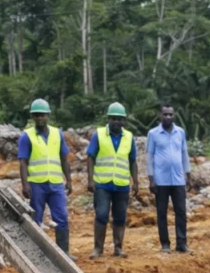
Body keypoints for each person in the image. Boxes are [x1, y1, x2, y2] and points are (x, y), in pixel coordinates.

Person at [18, 99, 73, 257]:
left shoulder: (57, 133)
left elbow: (64, 159)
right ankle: (36, 254)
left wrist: (69, 180)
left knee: (61, 217)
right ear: (32, 117)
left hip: (56, 184)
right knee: (36, 219)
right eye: (36, 115)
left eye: (42, 114)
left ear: (48, 115)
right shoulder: (26, 136)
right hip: (37, 185)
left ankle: (64, 252)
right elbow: (23, 162)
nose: (40, 118)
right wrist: (25, 184)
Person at [86, 102, 139, 259]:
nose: (116, 121)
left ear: (124, 121)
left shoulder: (129, 137)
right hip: (103, 183)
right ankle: (98, 249)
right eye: (113, 118)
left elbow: (133, 161)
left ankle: (118, 247)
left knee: (120, 216)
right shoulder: (99, 135)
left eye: (119, 119)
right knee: (101, 214)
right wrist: (90, 180)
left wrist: (135, 182)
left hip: (122, 184)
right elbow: (90, 157)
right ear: (108, 119)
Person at [146, 104, 192, 254]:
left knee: (181, 212)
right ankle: (165, 244)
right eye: (165, 114)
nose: (168, 117)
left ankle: (181, 243)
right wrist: (151, 179)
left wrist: (188, 175)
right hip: (161, 180)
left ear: (174, 115)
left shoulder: (180, 132)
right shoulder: (153, 134)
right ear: (160, 115)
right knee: (162, 213)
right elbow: (149, 156)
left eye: (170, 114)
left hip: (178, 179)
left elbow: (184, 153)